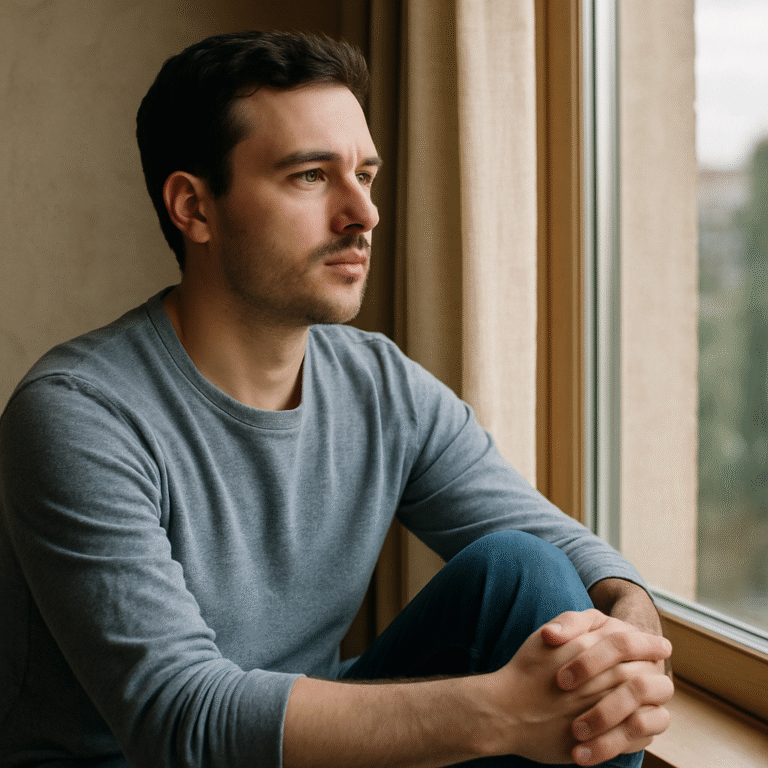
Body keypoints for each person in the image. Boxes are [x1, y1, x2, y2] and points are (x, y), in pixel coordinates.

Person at [0, 31, 673, 768]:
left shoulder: (379, 385)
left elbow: (564, 547)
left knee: (528, 574)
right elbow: (180, 720)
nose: (364, 214)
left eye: (366, 174)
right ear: (194, 207)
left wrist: (632, 629)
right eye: (312, 177)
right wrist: (501, 714)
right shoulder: (77, 415)